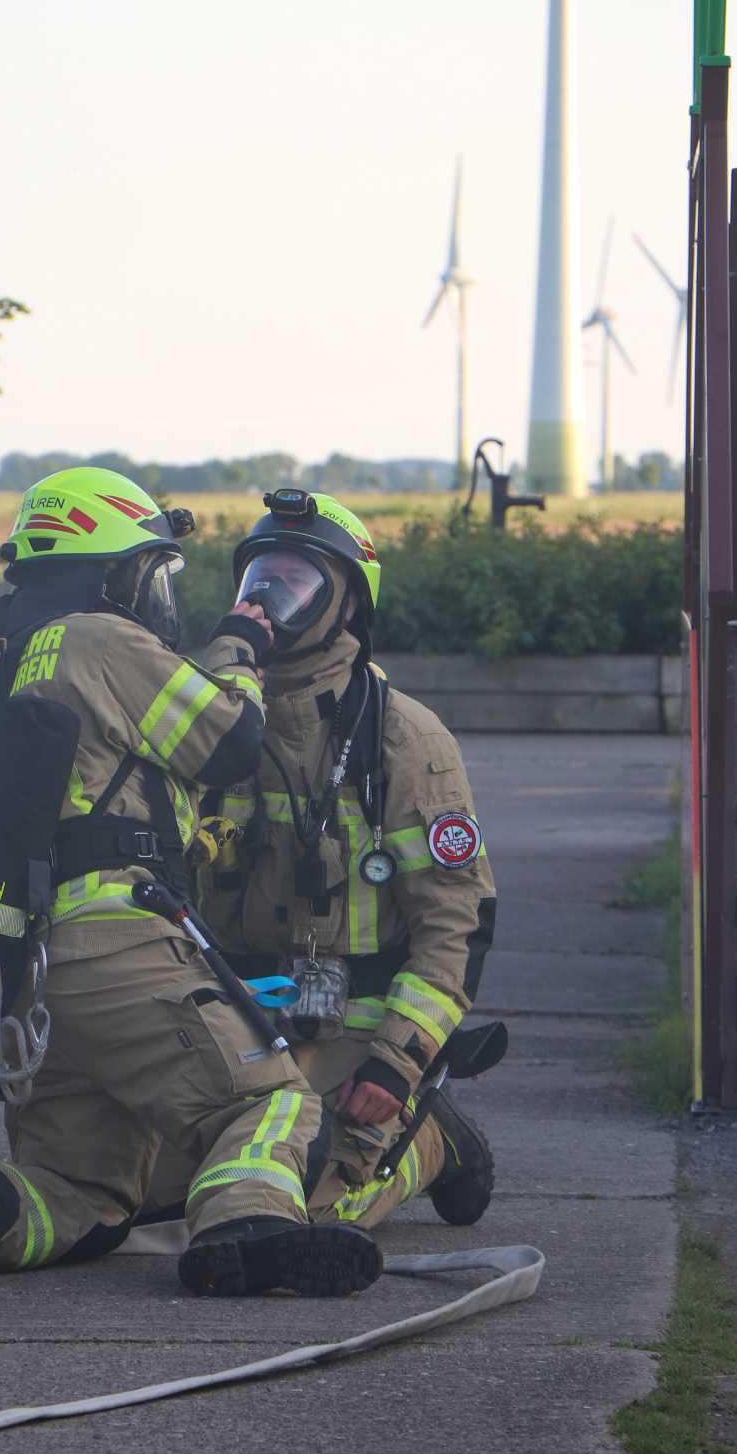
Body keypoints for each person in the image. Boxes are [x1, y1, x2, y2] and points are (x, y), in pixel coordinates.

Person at [0, 468, 385, 1298]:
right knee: (273, 1106)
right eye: (152, 569)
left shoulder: (5, 655)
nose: (157, 590)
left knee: (85, 1191)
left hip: (33, 971)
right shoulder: (98, 639)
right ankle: (246, 1230)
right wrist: (237, 645)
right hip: (119, 944)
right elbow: (228, 743)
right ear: (115, 569)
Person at [142, 487, 497, 1234]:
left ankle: (433, 1139)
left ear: (348, 607)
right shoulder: (212, 724)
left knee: (310, 1208)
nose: (270, 601)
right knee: (157, 1195)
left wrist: (395, 1065)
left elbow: (457, 927)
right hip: (238, 1027)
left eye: (296, 583)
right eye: (258, 579)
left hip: (356, 1040)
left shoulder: (404, 740)